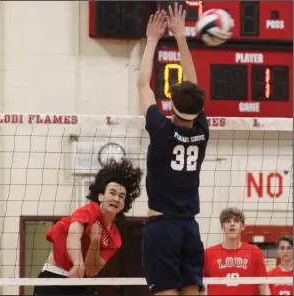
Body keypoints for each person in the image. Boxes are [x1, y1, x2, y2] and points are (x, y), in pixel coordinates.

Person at [137, 4, 209, 295]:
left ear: (172, 107)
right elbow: (193, 85)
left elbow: (142, 84)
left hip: (162, 229)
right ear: (198, 108)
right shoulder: (201, 132)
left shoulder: (162, 130)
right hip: (190, 229)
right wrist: (181, 37)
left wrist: (153, 39)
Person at [33, 158, 142, 296]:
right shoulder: (90, 210)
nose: (116, 199)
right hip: (54, 277)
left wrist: (95, 241)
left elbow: (91, 271)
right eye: (112, 193)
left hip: (81, 283)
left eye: (121, 196)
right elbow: (73, 235)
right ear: (101, 196)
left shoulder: (115, 238)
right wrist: (77, 262)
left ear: (123, 204)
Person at [204, 207, 270, 295]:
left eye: (236, 221)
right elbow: (200, 286)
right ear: (222, 227)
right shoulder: (208, 253)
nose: (232, 224)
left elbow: (263, 285)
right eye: (227, 221)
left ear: (242, 226)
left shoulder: (254, 251)